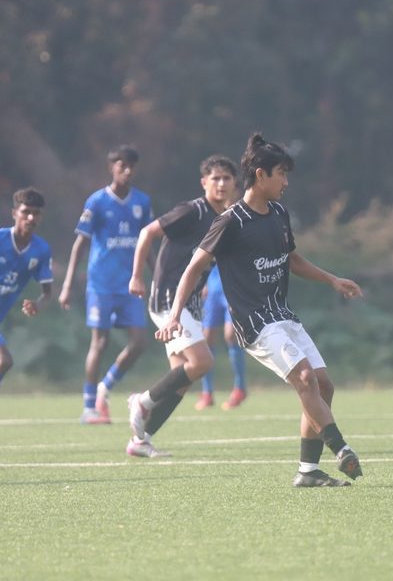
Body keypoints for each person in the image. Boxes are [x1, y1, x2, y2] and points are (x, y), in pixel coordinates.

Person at [149, 133, 364, 487]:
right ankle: (341, 449)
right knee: (305, 379)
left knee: (324, 385)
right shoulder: (230, 221)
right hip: (255, 323)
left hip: (282, 314)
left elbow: (292, 259)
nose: (286, 182)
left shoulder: (279, 213)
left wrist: (332, 280)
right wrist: (174, 315)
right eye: (281, 174)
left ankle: (308, 471)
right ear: (261, 175)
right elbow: (193, 268)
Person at [126, 155, 237, 457]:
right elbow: (147, 232)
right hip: (168, 297)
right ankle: (142, 401)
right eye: (215, 178)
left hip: (191, 302)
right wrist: (137, 276)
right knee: (202, 362)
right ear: (204, 183)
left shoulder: (225, 220)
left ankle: (141, 440)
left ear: (234, 184)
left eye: (227, 178)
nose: (221, 183)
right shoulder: (192, 211)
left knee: (182, 380)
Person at [59, 145, 153, 424]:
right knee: (99, 342)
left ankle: (105, 386)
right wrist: (67, 285)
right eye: (122, 165)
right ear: (112, 167)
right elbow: (80, 244)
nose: (127, 170)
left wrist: (158, 277)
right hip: (101, 285)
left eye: (131, 166)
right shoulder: (97, 201)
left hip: (131, 286)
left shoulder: (142, 202)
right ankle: (89, 407)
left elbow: (148, 244)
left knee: (139, 343)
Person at [0, 188, 53, 383]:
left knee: (4, 362)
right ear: (15, 213)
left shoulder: (41, 250)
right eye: (25, 212)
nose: (31, 217)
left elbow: (47, 293)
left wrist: (37, 304)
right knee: (4, 360)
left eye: (36, 213)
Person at [195, 263, 248, 411]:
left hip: (233, 289)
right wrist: (203, 282)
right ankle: (207, 392)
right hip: (213, 289)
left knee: (231, 335)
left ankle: (240, 388)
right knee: (207, 338)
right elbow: (203, 257)